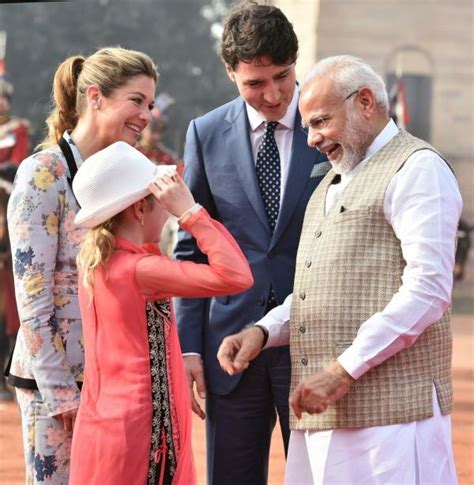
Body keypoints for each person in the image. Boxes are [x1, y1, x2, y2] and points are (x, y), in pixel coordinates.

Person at [217, 55, 462, 484]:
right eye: (308, 125)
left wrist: (341, 370)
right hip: (326, 421)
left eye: (321, 122)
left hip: (393, 423)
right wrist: (262, 332)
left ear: (365, 101)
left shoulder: (416, 168)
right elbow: (320, 290)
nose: (310, 139)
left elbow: (429, 289)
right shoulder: (331, 183)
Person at [173, 2, 328, 483]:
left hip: (316, 342)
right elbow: (191, 249)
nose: (273, 94)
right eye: (254, 84)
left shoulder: (330, 124)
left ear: (295, 62)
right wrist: (190, 349)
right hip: (230, 349)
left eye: (282, 76)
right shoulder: (204, 134)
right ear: (230, 73)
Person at [6, 46, 158, 484]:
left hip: (114, 379)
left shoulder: (131, 173)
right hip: (58, 386)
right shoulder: (44, 174)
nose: (146, 114)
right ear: (95, 96)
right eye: (136, 100)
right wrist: (58, 393)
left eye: (149, 104)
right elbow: (31, 296)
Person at [69, 141, 253, 485]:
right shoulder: (141, 270)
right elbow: (237, 275)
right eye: (161, 204)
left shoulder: (97, 260)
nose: (168, 213)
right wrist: (191, 212)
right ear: (140, 209)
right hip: (144, 429)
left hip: (102, 422)